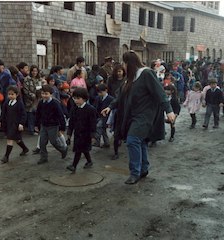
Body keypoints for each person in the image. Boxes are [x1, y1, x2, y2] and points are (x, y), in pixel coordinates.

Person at [101, 51, 175, 184]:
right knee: (140, 141)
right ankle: (144, 168)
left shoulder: (146, 73)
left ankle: (135, 172)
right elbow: (121, 96)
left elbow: (160, 92)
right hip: (132, 115)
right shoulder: (130, 78)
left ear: (130, 62)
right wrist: (110, 107)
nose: (122, 66)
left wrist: (169, 110)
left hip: (145, 115)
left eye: (124, 62)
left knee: (132, 140)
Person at [35, 85, 68, 164]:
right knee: (42, 142)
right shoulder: (41, 103)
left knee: (54, 141)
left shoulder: (55, 103)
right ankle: (43, 157)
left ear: (51, 94)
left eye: (46, 94)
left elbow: (60, 115)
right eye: (43, 93)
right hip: (44, 125)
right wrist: (36, 124)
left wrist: (62, 127)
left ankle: (63, 149)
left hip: (53, 125)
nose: (44, 95)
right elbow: (38, 114)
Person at [66, 88, 97, 172]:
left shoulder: (90, 109)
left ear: (84, 98)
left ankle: (74, 166)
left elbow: (93, 124)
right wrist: (69, 133)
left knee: (78, 150)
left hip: (86, 134)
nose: (76, 100)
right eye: (74, 98)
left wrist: (93, 135)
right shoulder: (74, 108)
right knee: (83, 149)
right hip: (77, 133)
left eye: (78, 98)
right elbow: (71, 121)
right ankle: (89, 161)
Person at [0, 86, 29, 163]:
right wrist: (0, 121)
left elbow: (23, 114)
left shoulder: (19, 104)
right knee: (17, 139)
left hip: (16, 124)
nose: (10, 96)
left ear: (17, 94)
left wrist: (21, 123)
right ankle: (25, 148)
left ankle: (6, 156)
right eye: (9, 94)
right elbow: (3, 113)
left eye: (12, 94)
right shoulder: (6, 103)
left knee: (10, 139)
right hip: (8, 124)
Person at [93, 83, 114, 148]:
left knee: (98, 127)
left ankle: (97, 141)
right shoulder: (98, 98)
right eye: (99, 92)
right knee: (103, 130)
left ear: (106, 90)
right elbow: (95, 107)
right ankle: (106, 142)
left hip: (106, 117)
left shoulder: (110, 99)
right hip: (99, 116)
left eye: (101, 92)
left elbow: (112, 108)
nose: (100, 94)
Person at [23, 65, 38, 135]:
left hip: (38, 100)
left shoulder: (39, 79)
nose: (35, 72)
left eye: (36, 71)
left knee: (37, 115)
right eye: (33, 71)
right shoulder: (27, 79)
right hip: (30, 100)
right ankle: (31, 130)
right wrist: (33, 96)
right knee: (31, 115)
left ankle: (36, 128)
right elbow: (26, 90)